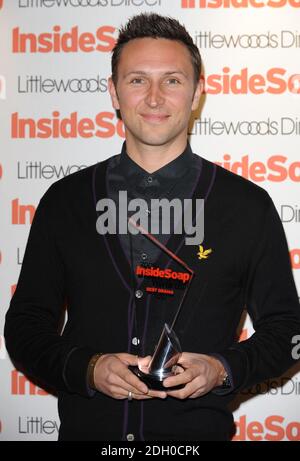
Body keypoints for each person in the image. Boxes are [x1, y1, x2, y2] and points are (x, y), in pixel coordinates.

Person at [4, 13, 300, 442]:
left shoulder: (247, 207)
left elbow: (287, 328)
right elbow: (25, 326)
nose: (155, 98)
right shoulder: (65, 202)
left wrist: (222, 369)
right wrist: (87, 368)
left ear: (198, 92)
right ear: (114, 92)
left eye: (173, 81)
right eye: (138, 80)